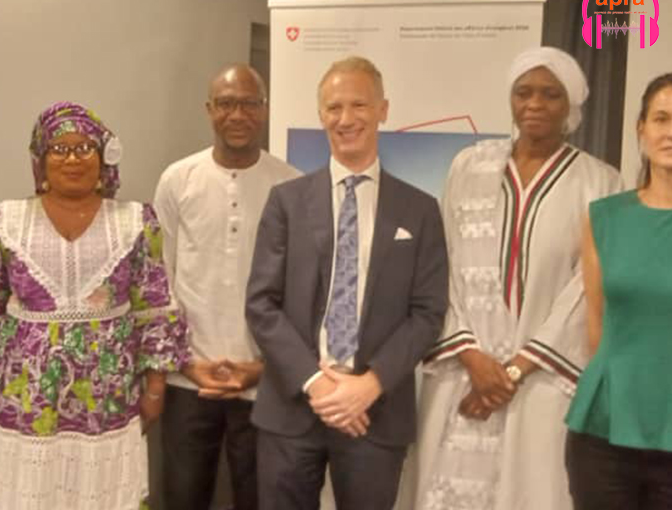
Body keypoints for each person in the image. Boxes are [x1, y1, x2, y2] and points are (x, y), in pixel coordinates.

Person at [398, 47, 622, 510]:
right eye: (524, 92)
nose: (534, 104)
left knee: (531, 491)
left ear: (571, 105)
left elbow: (585, 291)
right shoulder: (469, 167)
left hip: (541, 383)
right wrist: (472, 356)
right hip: (463, 373)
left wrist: (514, 370)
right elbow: (442, 264)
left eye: (550, 94)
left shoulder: (600, 183)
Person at [0, 102, 189, 510]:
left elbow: (153, 308)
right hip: (25, 398)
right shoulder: (4, 220)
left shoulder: (136, 220)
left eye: (85, 148)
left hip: (108, 397)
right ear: (40, 159)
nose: (72, 159)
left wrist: (155, 387)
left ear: (103, 159)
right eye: (59, 149)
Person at [245, 56, 449, 510]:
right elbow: (261, 304)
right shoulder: (286, 202)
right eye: (334, 107)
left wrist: (369, 385)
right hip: (293, 407)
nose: (346, 118)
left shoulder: (420, 210)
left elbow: (428, 312)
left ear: (383, 110)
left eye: (359, 104)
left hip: (374, 413)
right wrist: (317, 383)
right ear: (321, 115)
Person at [154, 64, 300, 510]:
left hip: (264, 379)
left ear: (264, 109)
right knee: (183, 498)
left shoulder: (292, 184)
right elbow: (160, 279)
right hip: (187, 377)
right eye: (226, 104)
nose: (237, 115)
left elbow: (301, 290)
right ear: (209, 109)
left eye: (249, 103)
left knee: (260, 500)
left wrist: (265, 368)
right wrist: (184, 361)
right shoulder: (178, 179)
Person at [564, 73, 672, 509]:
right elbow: (597, 327)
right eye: (661, 119)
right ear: (641, 129)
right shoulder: (604, 217)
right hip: (604, 433)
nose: (670, 132)